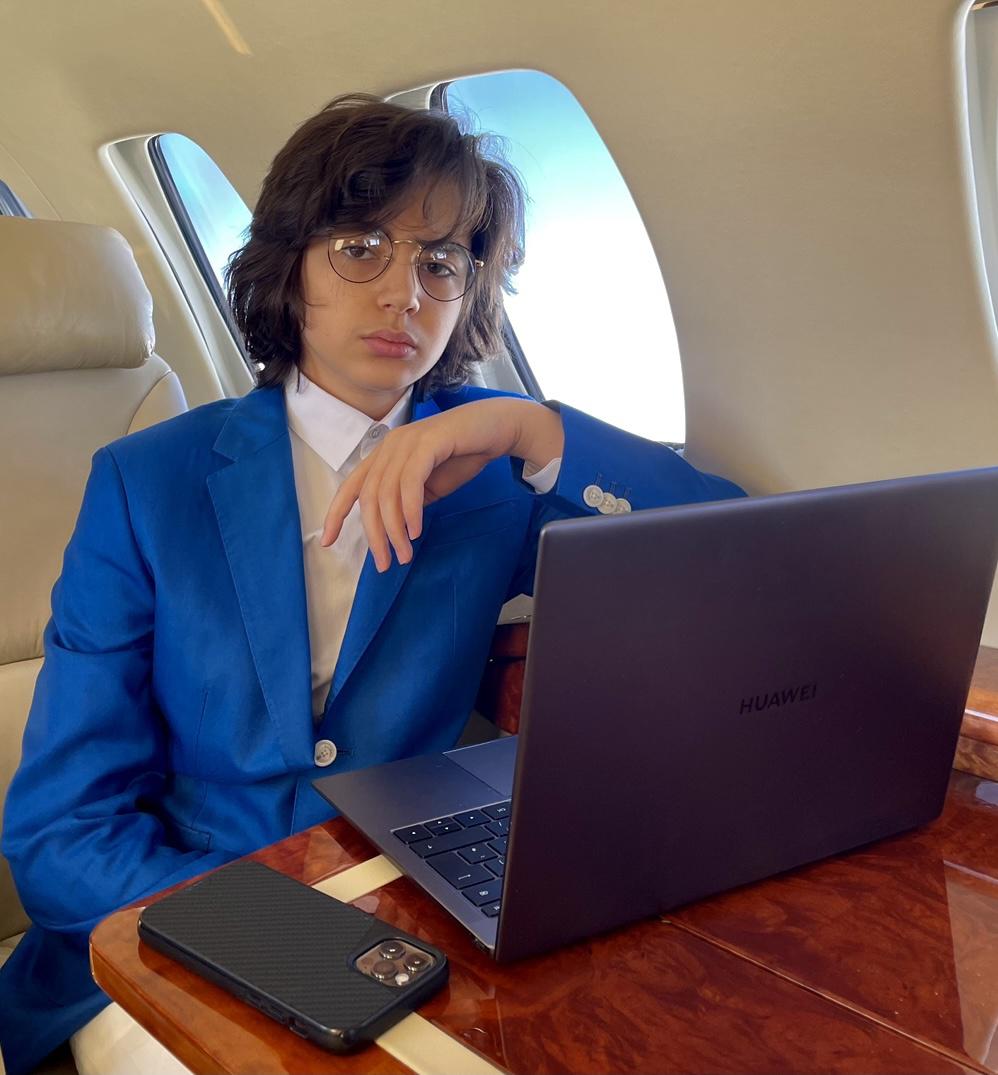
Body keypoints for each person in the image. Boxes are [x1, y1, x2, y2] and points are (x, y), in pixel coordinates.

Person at [0, 94, 745, 1074]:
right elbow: (60, 831)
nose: (404, 294)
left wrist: (535, 430)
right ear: (290, 267)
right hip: (171, 920)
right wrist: (296, 940)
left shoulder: (490, 468)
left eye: (440, 262)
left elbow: (728, 562)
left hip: (414, 907)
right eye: (360, 248)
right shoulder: (149, 483)